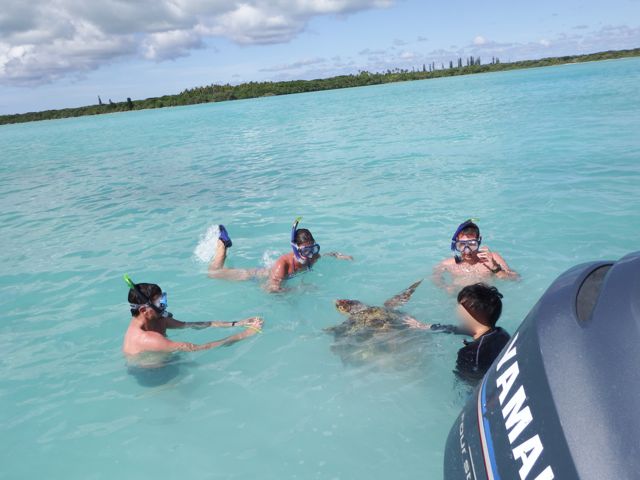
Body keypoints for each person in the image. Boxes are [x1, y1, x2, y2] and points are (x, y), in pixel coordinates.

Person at [122, 277, 263, 357]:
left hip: (162, 362)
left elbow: (191, 325)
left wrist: (237, 323)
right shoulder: (148, 338)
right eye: (159, 303)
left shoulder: (157, 318)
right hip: (154, 378)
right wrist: (243, 335)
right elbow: (196, 348)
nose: (163, 306)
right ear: (143, 310)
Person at [404, 283, 510, 384]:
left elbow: (466, 385)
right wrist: (426, 326)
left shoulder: (469, 353)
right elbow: (457, 329)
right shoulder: (501, 333)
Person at [208, 219, 352, 292]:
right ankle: (223, 243)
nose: (309, 255)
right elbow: (269, 290)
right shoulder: (282, 265)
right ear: (296, 249)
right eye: (305, 251)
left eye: (312, 249)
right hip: (255, 276)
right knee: (213, 273)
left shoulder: (312, 256)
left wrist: (339, 255)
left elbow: (327, 254)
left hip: (273, 276)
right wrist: (300, 289)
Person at [433, 219, 518, 292]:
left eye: (472, 244)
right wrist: (445, 287)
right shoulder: (448, 264)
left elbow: (515, 278)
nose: (467, 251)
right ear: (456, 243)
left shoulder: (493, 258)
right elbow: (435, 276)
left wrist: (495, 268)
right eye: (461, 245)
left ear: (479, 241)